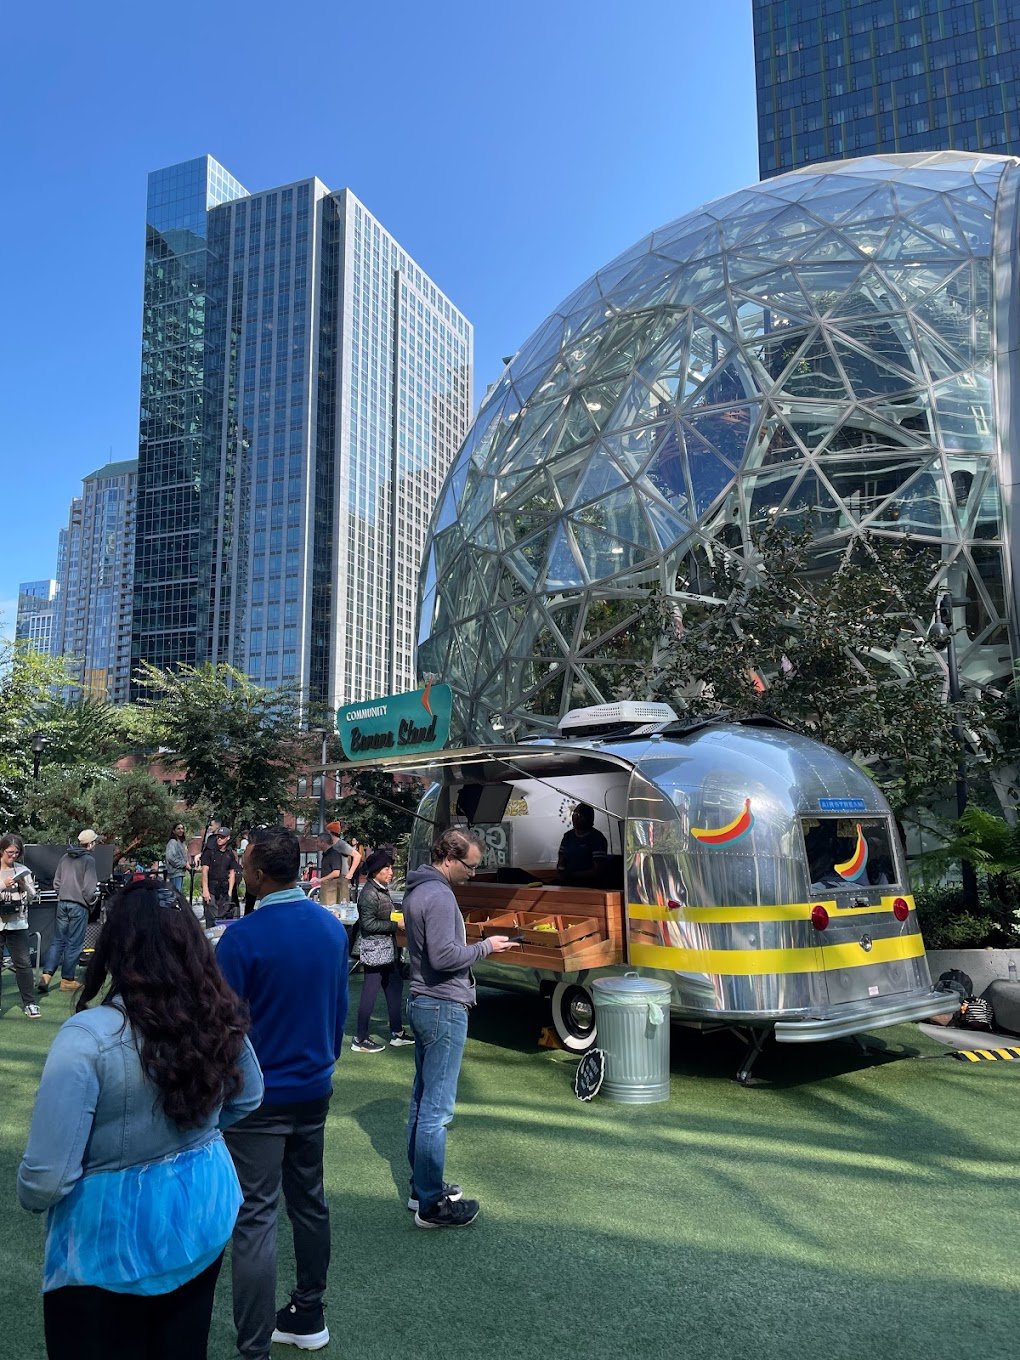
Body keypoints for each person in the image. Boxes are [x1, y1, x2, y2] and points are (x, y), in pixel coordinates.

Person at [17, 874, 264, 1360]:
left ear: (116, 945)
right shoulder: (216, 1012)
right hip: (203, 1218)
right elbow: (248, 1097)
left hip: (109, 1251)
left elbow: (45, 1180)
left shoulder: (88, 1037)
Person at [217, 825, 349, 1359]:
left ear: (257, 871)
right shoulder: (330, 929)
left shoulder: (243, 938)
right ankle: (308, 1312)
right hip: (313, 1089)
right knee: (309, 1203)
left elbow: (223, 1031)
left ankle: (255, 1349)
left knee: (255, 1217)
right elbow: (337, 1013)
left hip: (259, 1099)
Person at [403, 828, 518, 1228]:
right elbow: (446, 955)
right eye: (470, 866)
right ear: (449, 858)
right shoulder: (437, 895)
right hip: (441, 1005)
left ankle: (423, 1188)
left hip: (423, 1002)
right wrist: (488, 947)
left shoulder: (419, 889)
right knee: (436, 1109)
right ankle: (432, 1205)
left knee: (422, 1103)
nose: (472, 873)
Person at [351, 849, 414, 1053]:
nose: (391, 872)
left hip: (386, 951)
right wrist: (397, 926)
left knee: (394, 987)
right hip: (375, 951)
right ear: (376, 871)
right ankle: (360, 1038)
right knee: (369, 993)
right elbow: (368, 924)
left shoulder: (378, 889)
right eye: (387, 868)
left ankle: (397, 1032)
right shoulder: (369, 893)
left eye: (390, 868)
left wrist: (396, 919)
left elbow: (382, 917)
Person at [40, 829, 100, 993]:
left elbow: (56, 882)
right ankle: (67, 979)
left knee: (58, 940)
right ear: (91, 844)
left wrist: (63, 894)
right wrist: (87, 901)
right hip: (78, 906)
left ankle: (46, 976)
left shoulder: (65, 857)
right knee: (74, 943)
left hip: (62, 903)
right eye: (95, 842)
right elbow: (90, 887)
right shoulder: (89, 860)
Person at [0, 833, 41, 1018]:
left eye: (17, 853)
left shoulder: (23, 869)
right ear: (2, 851)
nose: (13, 856)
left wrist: (23, 884)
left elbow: (33, 896)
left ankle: (30, 1003)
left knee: (23, 964)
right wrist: (3, 885)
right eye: (10, 852)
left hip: (18, 924)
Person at [556, 804, 608, 885]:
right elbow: (561, 858)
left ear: (588, 818)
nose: (575, 817)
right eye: (574, 814)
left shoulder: (597, 838)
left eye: (579, 815)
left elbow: (597, 870)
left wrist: (572, 875)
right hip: (567, 883)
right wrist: (561, 871)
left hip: (589, 885)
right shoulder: (568, 836)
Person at [201, 826, 238, 927]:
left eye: (222, 837)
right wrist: (205, 889)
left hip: (224, 890)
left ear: (228, 838)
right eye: (218, 837)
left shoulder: (230, 854)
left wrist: (230, 892)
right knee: (211, 919)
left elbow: (232, 873)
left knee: (223, 920)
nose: (219, 839)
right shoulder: (209, 851)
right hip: (211, 889)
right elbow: (204, 870)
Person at [319, 820, 360, 907]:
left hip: (342, 878)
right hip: (333, 879)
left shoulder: (341, 844)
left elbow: (357, 856)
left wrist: (350, 873)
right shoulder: (331, 846)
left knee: (342, 904)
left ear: (330, 832)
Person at [165, 822, 189, 895]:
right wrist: (184, 864)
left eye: (182, 828)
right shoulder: (173, 842)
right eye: (178, 829)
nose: (181, 830)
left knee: (178, 895)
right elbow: (170, 857)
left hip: (180, 873)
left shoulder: (181, 842)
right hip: (175, 873)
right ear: (173, 831)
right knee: (176, 895)